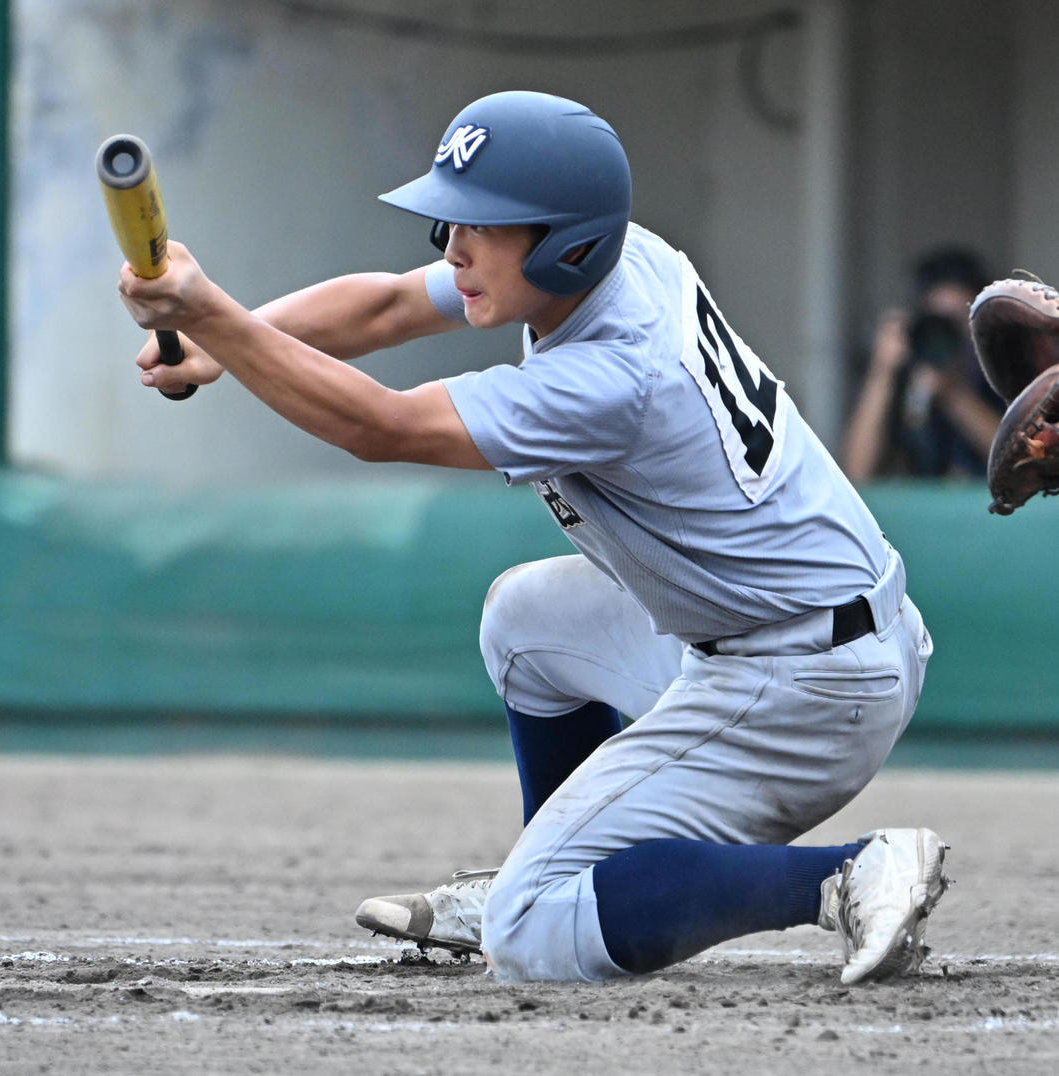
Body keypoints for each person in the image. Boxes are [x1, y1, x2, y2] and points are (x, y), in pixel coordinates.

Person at [117, 91, 948, 985]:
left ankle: (842, 875)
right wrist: (227, 340)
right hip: (796, 626)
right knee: (526, 619)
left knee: (527, 933)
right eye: (453, 219)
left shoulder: (613, 375)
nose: (453, 246)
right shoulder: (619, 258)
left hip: (806, 688)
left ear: (567, 244)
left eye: (482, 225)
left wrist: (214, 318)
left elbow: (379, 426)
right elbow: (389, 306)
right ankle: (552, 867)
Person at [841, 247, 1003, 483]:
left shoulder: (1002, 374)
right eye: (937, 320)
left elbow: (1020, 462)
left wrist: (953, 394)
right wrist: (881, 372)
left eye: (958, 319)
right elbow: (855, 474)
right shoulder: (902, 375)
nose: (946, 332)